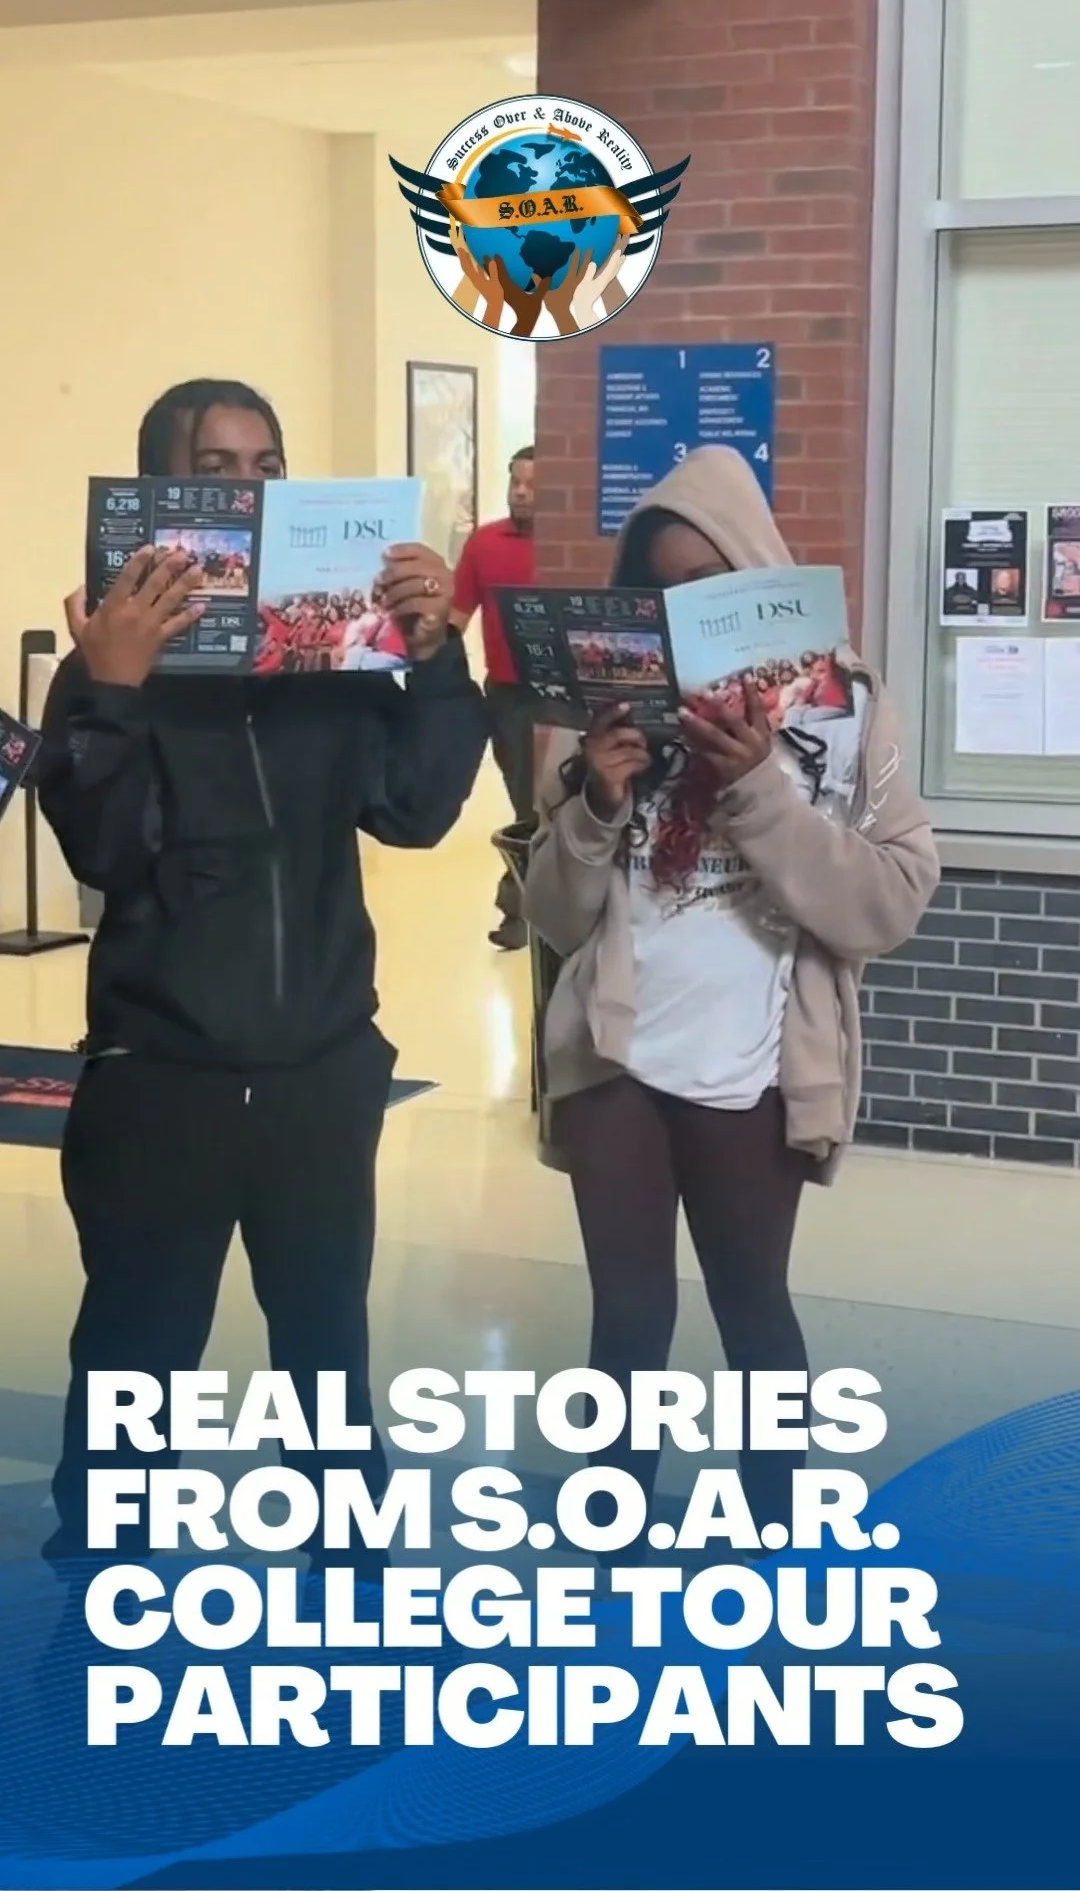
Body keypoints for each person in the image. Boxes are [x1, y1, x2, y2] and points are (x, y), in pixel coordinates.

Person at [38, 376, 488, 1589]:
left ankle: (352, 1581)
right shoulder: (105, 667)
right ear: (154, 498)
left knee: (327, 1351)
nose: (248, 491)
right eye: (216, 470)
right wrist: (115, 689)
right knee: (134, 1357)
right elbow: (105, 854)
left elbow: (415, 811)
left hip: (320, 1070)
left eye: (266, 467)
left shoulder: (333, 657)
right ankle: (100, 1588)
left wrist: (437, 659)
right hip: (160, 1074)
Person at [522, 445, 939, 1560]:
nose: (684, 614)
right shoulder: (594, 712)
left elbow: (888, 902)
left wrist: (760, 789)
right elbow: (555, 917)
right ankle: (610, 1558)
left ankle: (777, 1543)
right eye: (660, 593)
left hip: (758, 1062)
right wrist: (595, 802)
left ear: (759, 578)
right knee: (626, 1322)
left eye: (710, 585)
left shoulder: (845, 706)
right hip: (614, 1055)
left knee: (753, 1306)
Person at [452, 445, 536, 950]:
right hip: (507, 698)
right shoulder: (484, 544)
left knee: (545, 806)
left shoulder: (572, 546)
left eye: (532, 484)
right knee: (527, 805)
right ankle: (521, 910)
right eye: (514, 482)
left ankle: (522, 910)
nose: (520, 492)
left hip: (564, 697)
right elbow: (456, 619)